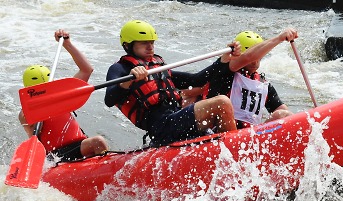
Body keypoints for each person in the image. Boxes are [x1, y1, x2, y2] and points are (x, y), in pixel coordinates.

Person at [104, 20, 241, 147]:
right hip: (161, 127)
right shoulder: (120, 69)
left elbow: (196, 80)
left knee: (219, 110)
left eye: (152, 42)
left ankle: (224, 149)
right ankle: (234, 152)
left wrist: (223, 61)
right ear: (128, 45)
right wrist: (129, 80)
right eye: (144, 43)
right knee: (221, 102)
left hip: (176, 119)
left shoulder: (158, 67)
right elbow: (109, 99)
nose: (150, 47)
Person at [19, 29, 108, 161]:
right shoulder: (25, 114)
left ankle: (106, 169)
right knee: (98, 141)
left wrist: (67, 44)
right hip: (55, 156)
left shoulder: (61, 97)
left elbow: (86, 70)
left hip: (79, 146)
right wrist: (41, 108)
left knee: (97, 142)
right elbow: (32, 128)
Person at [182, 29, 297, 128]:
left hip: (250, 137)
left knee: (283, 115)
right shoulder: (226, 72)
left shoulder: (264, 85)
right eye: (255, 56)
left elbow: (285, 113)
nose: (255, 62)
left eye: (259, 57)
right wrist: (279, 38)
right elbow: (247, 57)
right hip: (220, 134)